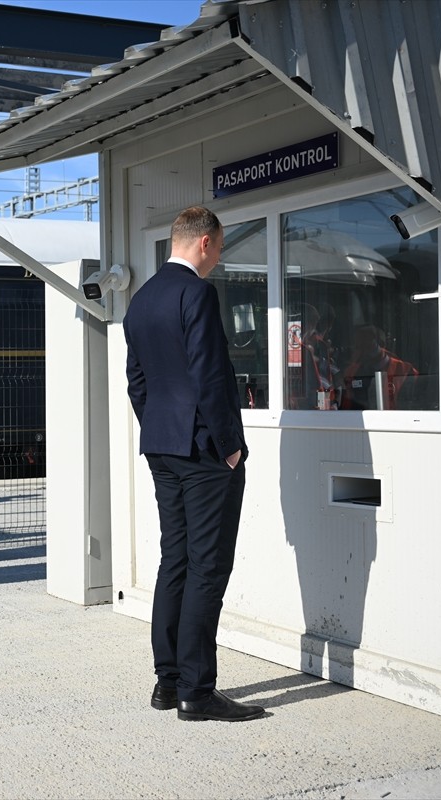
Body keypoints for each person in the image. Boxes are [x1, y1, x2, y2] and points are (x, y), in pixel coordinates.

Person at [123, 206, 262, 723]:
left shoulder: (141, 300)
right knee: (207, 566)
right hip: (204, 451)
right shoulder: (197, 293)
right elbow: (208, 373)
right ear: (204, 243)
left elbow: (137, 380)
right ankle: (197, 693)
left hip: (162, 447)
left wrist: (158, 427)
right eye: (220, 247)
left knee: (174, 560)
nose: (219, 257)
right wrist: (230, 444)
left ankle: (167, 683)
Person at [341, 325, 418, 410]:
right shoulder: (350, 372)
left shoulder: (405, 370)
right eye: (360, 346)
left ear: (382, 344)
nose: (365, 350)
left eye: (369, 345)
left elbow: (415, 403)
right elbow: (347, 406)